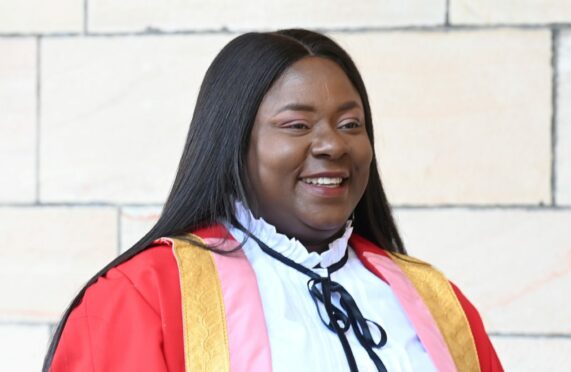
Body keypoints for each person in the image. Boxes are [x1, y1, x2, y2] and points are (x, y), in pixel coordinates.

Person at [44, 29, 503, 372]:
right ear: (233, 144)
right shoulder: (142, 297)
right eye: (297, 126)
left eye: (350, 125)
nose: (332, 146)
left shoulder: (435, 301)